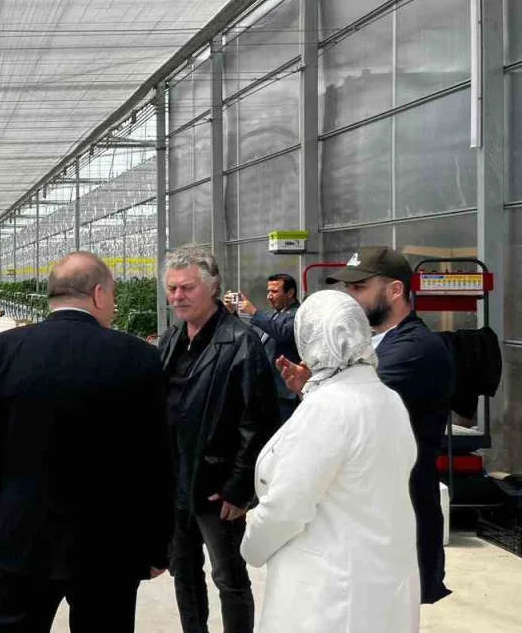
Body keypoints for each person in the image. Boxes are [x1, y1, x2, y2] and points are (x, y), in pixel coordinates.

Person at [0, 252, 173, 633]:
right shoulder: (139, 357)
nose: (113, 305)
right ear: (98, 294)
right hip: (109, 545)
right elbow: (156, 459)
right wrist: (158, 545)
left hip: (23, 536)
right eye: (113, 295)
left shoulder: (4, 349)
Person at [277, 246, 454, 604]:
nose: (349, 297)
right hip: (368, 516)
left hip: (397, 519)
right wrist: (309, 387)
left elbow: (350, 409)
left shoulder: (414, 350)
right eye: (347, 288)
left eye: (359, 287)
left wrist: (315, 387)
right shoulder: (375, 344)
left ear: (395, 290)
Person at [241, 290, 420, 633]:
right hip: (381, 579)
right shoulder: (386, 398)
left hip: (329, 592)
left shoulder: (329, 409)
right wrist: (310, 389)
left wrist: (252, 544)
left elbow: (287, 505)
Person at [159, 246, 278, 633]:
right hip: (178, 481)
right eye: (172, 289)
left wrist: (238, 489)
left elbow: (257, 421)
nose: (178, 296)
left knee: (229, 576)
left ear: (213, 288)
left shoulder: (241, 342)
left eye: (187, 288)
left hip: (217, 487)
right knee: (183, 570)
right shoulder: (173, 339)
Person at [227, 273, 302, 424]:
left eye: (274, 292)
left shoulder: (298, 314)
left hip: (285, 393)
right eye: (268, 291)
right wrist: (232, 313)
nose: (269, 296)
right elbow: (251, 336)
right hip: (267, 389)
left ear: (290, 293)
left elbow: (282, 333)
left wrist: (254, 313)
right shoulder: (273, 315)